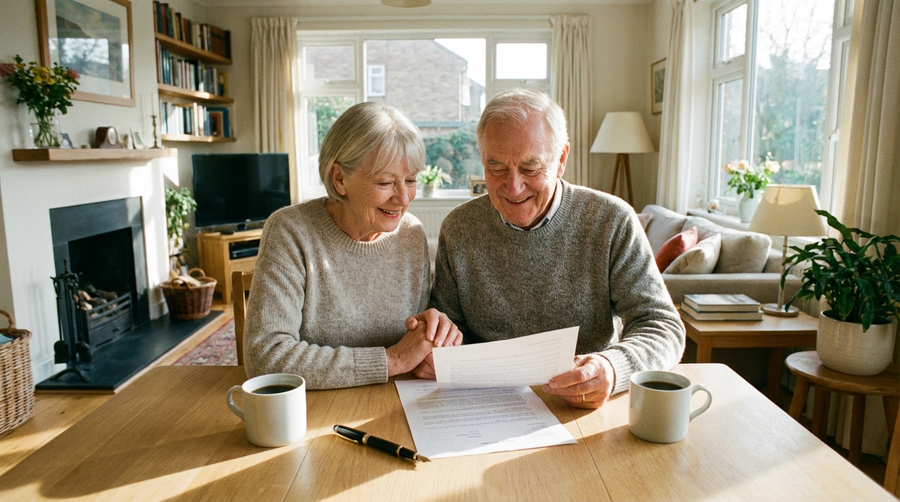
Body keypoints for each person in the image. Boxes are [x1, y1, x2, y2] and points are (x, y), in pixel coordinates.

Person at [426, 89, 685, 409]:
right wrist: (435, 341)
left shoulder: (611, 220)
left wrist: (612, 368)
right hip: (486, 403)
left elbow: (661, 325)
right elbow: (449, 330)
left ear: (561, 159)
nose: (514, 186)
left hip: (583, 407)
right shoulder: (459, 228)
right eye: (496, 167)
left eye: (530, 167)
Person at [245, 102, 461, 389]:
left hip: (394, 403)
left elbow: (416, 342)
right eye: (385, 182)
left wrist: (435, 334)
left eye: (410, 180)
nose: (404, 198)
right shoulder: (290, 231)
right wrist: (391, 360)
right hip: (316, 410)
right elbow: (266, 356)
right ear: (340, 178)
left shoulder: (410, 233)